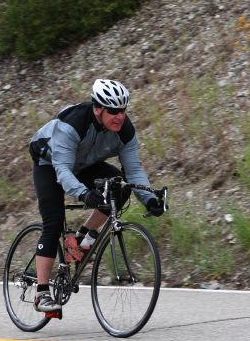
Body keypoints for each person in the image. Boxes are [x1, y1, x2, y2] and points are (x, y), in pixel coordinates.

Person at [28, 78, 165, 313]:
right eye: (113, 111)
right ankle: (42, 293)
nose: (120, 116)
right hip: (49, 163)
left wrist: (150, 199)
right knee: (53, 221)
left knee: (120, 187)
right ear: (98, 109)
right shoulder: (74, 124)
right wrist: (84, 195)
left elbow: (133, 170)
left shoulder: (125, 130)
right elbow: (62, 171)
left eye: (123, 110)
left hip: (84, 164)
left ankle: (82, 238)